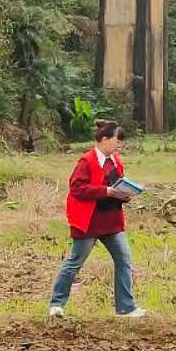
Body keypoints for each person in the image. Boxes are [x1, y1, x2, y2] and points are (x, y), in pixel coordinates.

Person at [47, 119, 144, 319]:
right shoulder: (86, 161)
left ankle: (126, 307)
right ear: (104, 139)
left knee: (124, 260)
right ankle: (56, 304)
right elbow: (77, 188)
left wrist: (124, 195)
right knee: (75, 262)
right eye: (117, 140)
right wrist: (106, 191)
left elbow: (118, 185)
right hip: (89, 221)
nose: (120, 144)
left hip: (111, 221)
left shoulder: (115, 161)